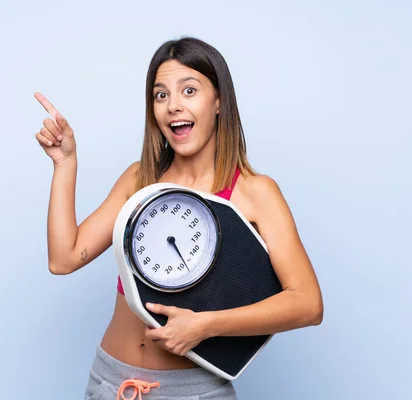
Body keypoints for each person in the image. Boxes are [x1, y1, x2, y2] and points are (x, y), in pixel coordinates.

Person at [35, 37, 324, 400]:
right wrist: (65, 164)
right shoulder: (139, 180)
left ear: (219, 101)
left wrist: (206, 326)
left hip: (193, 392)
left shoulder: (254, 192)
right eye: (161, 95)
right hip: (110, 383)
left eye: (189, 90)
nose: (173, 106)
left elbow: (308, 303)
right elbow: (63, 259)